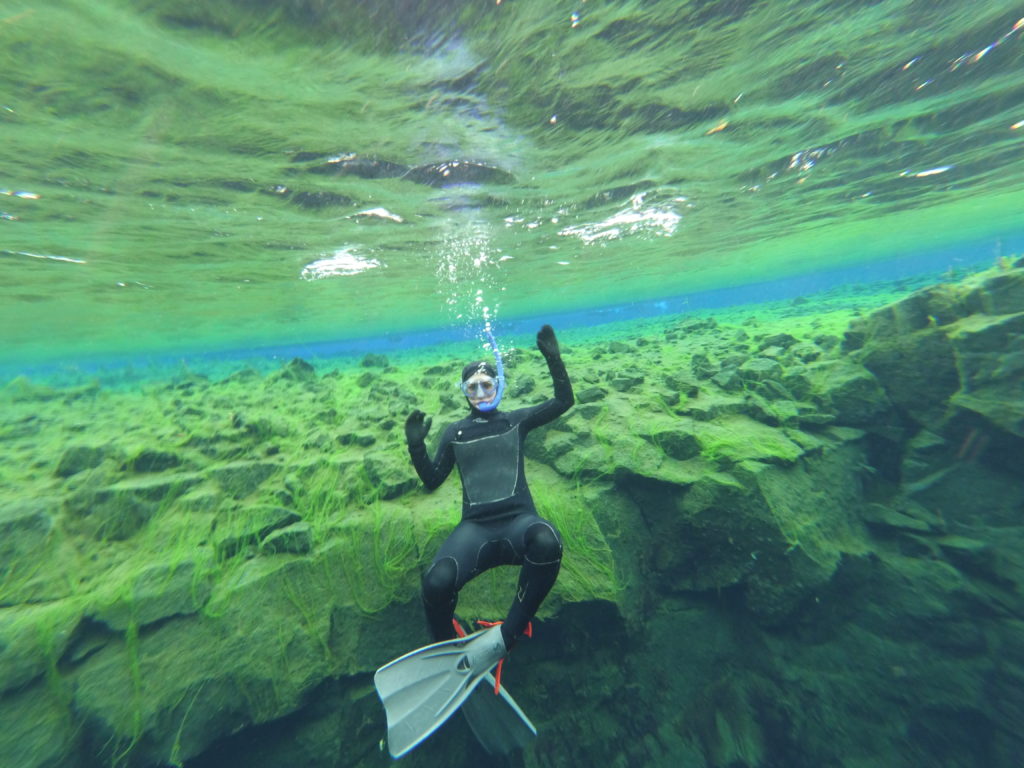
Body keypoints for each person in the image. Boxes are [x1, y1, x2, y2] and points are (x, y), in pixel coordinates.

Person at [404, 324, 574, 653]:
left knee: (547, 541)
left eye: (486, 386)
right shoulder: (456, 433)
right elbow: (433, 480)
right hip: (475, 530)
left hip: (518, 523)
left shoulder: (516, 420)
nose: (480, 394)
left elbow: (563, 400)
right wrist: (416, 448)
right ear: (464, 393)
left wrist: (553, 359)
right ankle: (444, 649)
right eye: (472, 388)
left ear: (498, 387)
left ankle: (506, 636)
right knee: (436, 583)